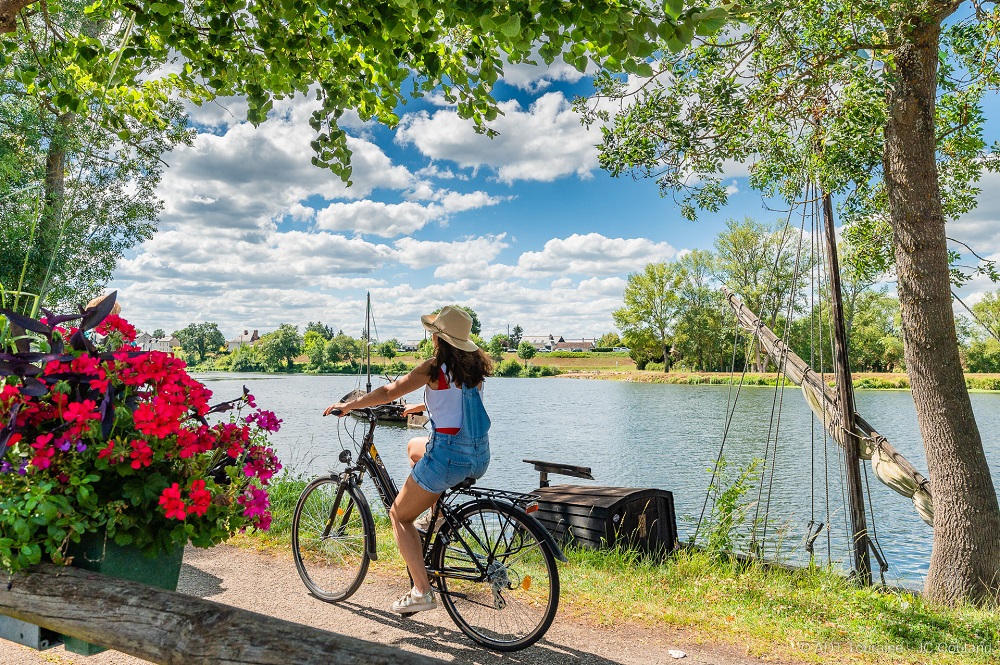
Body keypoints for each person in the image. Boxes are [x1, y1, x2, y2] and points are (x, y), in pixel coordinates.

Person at [324, 305, 493, 614]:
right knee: (415, 448)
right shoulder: (473, 370)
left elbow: (390, 390)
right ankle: (435, 516)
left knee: (399, 516)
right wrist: (421, 405)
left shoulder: (433, 368)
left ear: (439, 339)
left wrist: (351, 404)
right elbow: (459, 407)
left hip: (447, 457)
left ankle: (421, 591)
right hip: (479, 456)